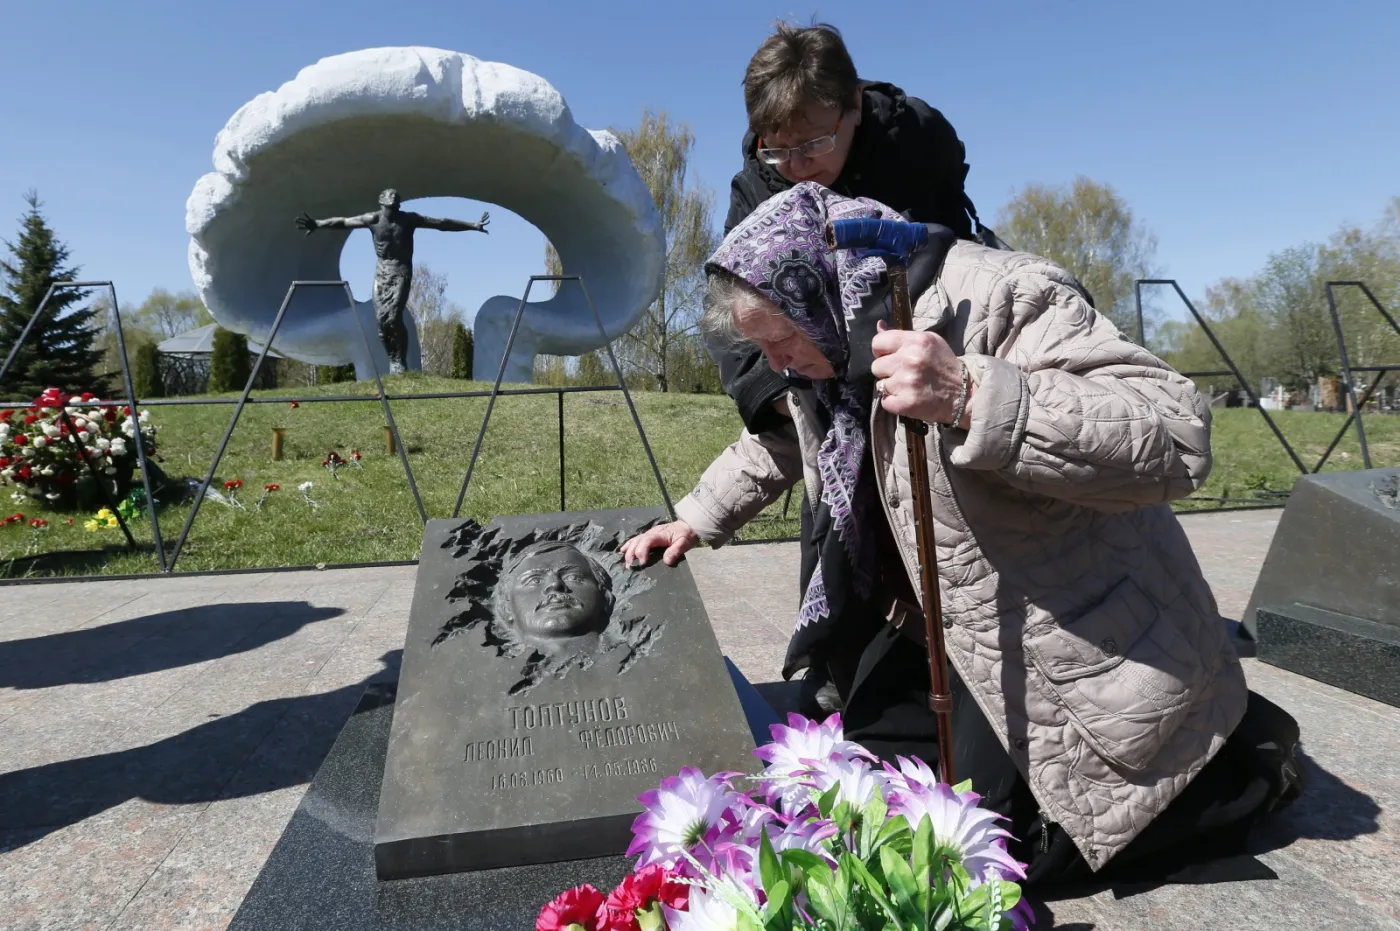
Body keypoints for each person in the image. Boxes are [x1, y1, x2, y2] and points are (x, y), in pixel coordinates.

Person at [621, 183, 1305, 884]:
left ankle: (1241, 760)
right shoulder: (825, 340)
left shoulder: (1004, 293)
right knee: (864, 800)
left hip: (1061, 618)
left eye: (779, 341)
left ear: (817, 294)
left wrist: (972, 395)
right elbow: (781, 440)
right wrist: (694, 518)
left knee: (1006, 856)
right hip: (936, 617)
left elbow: (1176, 434)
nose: (776, 364)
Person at [295, 189, 489, 373]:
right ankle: (392, 359)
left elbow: (441, 223)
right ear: (382, 205)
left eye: (395, 207)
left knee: (393, 316)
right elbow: (344, 222)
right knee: (382, 323)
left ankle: (399, 362)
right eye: (389, 207)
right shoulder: (373, 219)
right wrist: (318, 224)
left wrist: (472, 225)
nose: (392, 211)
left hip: (401, 270)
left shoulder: (408, 219)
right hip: (381, 273)